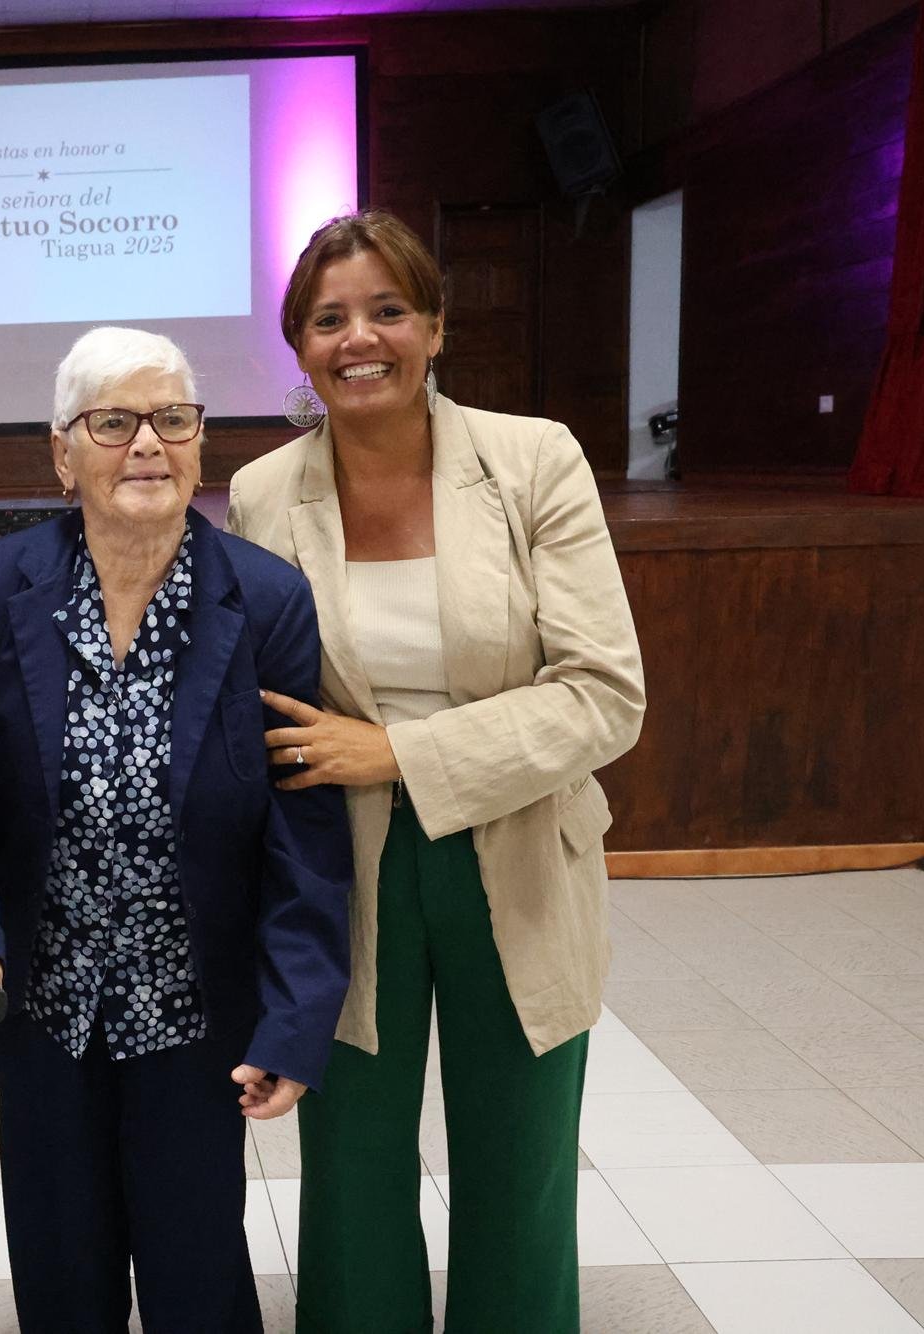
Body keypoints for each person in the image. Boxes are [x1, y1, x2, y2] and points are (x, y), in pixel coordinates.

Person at [227, 211, 646, 1333]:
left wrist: (401, 750)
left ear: (437, 326)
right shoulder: (265, 493)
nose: (360, 338)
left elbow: (605, 693)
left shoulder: (533, 459)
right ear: (301, 348)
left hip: (519, 848)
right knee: (352, 1158)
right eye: (329, 319)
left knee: (519, 1156)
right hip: (340, 862)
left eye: (388, 310)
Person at [0, 327, 353, 1333]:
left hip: (195, 1003)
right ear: (63, 452)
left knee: (197, 1259)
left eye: (172, 419)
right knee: (61, 1261)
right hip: (42, 995)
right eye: (114, 422)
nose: (146, 443)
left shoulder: (266, 598)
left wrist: (294, 1013)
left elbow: (304, 826)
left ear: (200, 444)